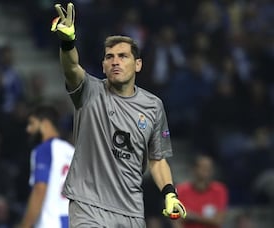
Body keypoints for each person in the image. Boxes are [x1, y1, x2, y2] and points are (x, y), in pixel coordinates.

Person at [50, 3, 186, 227]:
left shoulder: (153, 106)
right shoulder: (89, 91)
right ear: (103, 65)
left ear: (138, 64)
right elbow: (71, 68)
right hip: (88, 205)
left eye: (123, 56)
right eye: (109, 57)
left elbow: (157, 159)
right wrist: (67, 43)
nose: (115, 61)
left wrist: (170, 193)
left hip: (130, 208)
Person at [19, 105, 75, 228]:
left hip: (50, 222)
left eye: (32, 123)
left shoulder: (44, 149)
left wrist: (24, 225)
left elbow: (40, 189)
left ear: (45, 124)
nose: (29, 129)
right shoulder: (72, 151)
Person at [172, 154, 228, 228]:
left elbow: (218, 220)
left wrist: (192, 216)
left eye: (209, 168)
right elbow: (176, 220)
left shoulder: (219, 190)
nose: (206, 171)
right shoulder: (181, 190)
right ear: (194, 169)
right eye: (203, 167)